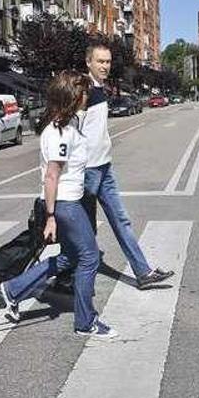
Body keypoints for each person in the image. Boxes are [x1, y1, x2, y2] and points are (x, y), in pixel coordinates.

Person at [0, 71, 115, 338]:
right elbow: (52, 175)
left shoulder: (68, 124)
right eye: (83, 92)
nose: (87, 96)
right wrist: (51, 216)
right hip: (64, 205)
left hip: (69, 203)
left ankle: (13, 290)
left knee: (69, 257)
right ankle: (86, 322)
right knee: (89, 259)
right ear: (73, 96)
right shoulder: (60, 132)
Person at [76, 43, 174, 288]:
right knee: (85, 231)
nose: (105, 66)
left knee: (121, 220)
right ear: (88, 62)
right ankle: (60, 278)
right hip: (88, 171)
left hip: (104, 168)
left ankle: (143, 272)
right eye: (100, 61)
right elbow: (73, 131)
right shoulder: (83, 91)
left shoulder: (102, 90)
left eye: (107, 62)